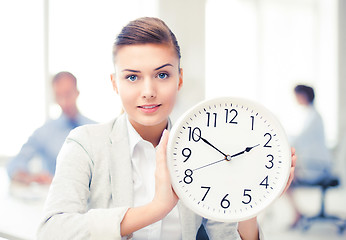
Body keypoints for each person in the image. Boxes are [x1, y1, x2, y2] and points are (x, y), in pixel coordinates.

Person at [37, 17, 296, 239]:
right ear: (115, 83)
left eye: (162, 75)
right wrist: (157, 209)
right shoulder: (86, 143)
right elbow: (52, 230)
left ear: (179, 78)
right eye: (132, 77)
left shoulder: (206, 149)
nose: (148, 92)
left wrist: (251, 208)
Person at [7, 71, 95, 185]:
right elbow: (14, 164)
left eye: (68, 94)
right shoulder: (44, 132)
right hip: (54, 198)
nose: (64, 102)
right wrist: (29, 177)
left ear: (77, 93)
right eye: (59, 96)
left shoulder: (94, 129)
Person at [287, 84, 331, 227]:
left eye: (297, 95)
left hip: (316, 166)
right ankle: (297, 213)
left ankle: (297, 214)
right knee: (287, 178)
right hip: (314, 163)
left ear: (304, 96)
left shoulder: (313, 117)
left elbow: (299, 139)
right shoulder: (311, 115)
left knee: (286, 180)